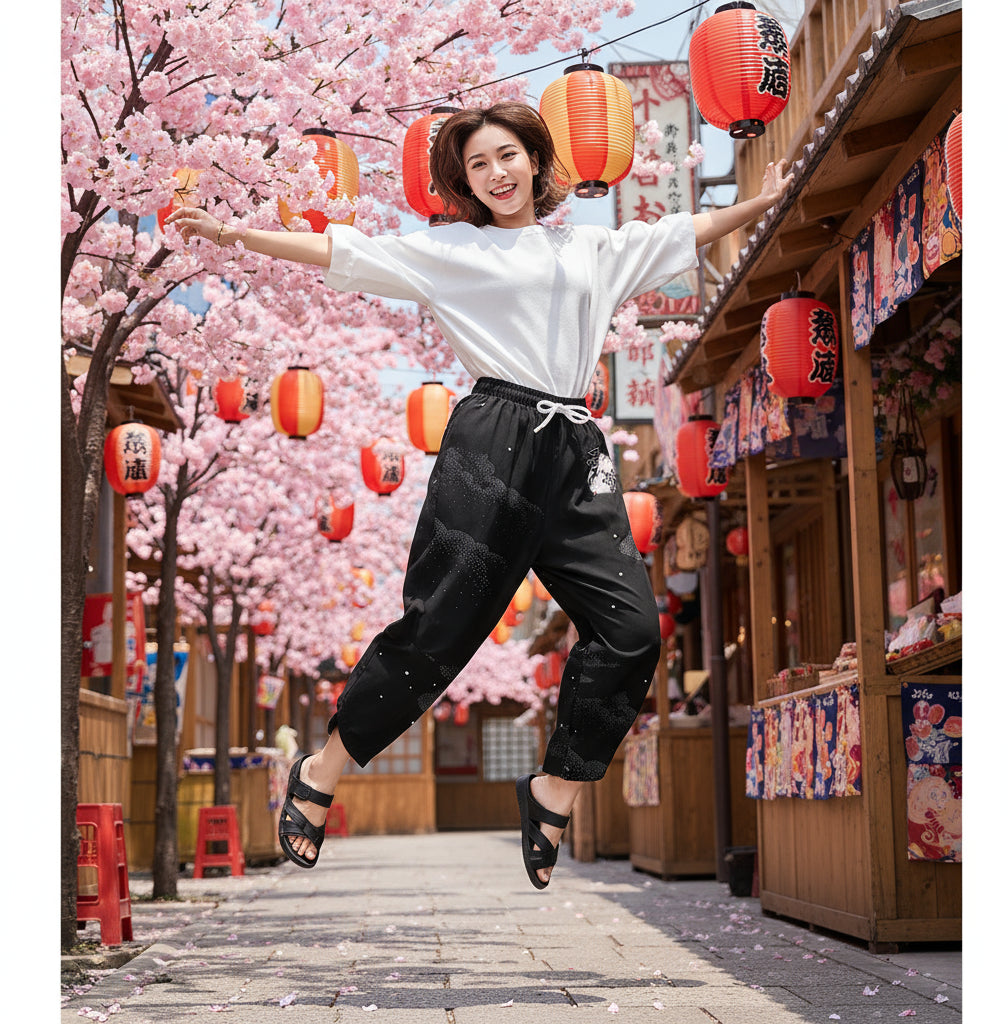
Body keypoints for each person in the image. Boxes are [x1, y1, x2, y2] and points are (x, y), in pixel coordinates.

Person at [168, 101, 793, 887]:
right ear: (464, 185)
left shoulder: (593, 247)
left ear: (536, 159)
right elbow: (338, 249)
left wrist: (761, 202)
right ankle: (323, 769)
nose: (497, 175)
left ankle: (555, 785)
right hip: (493, 439)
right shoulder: (451, 250)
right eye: (478, 167)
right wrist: (229, 234)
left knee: (632, 627)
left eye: (507, 157)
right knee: (440, 627)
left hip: (576, 448)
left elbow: (684, 233)